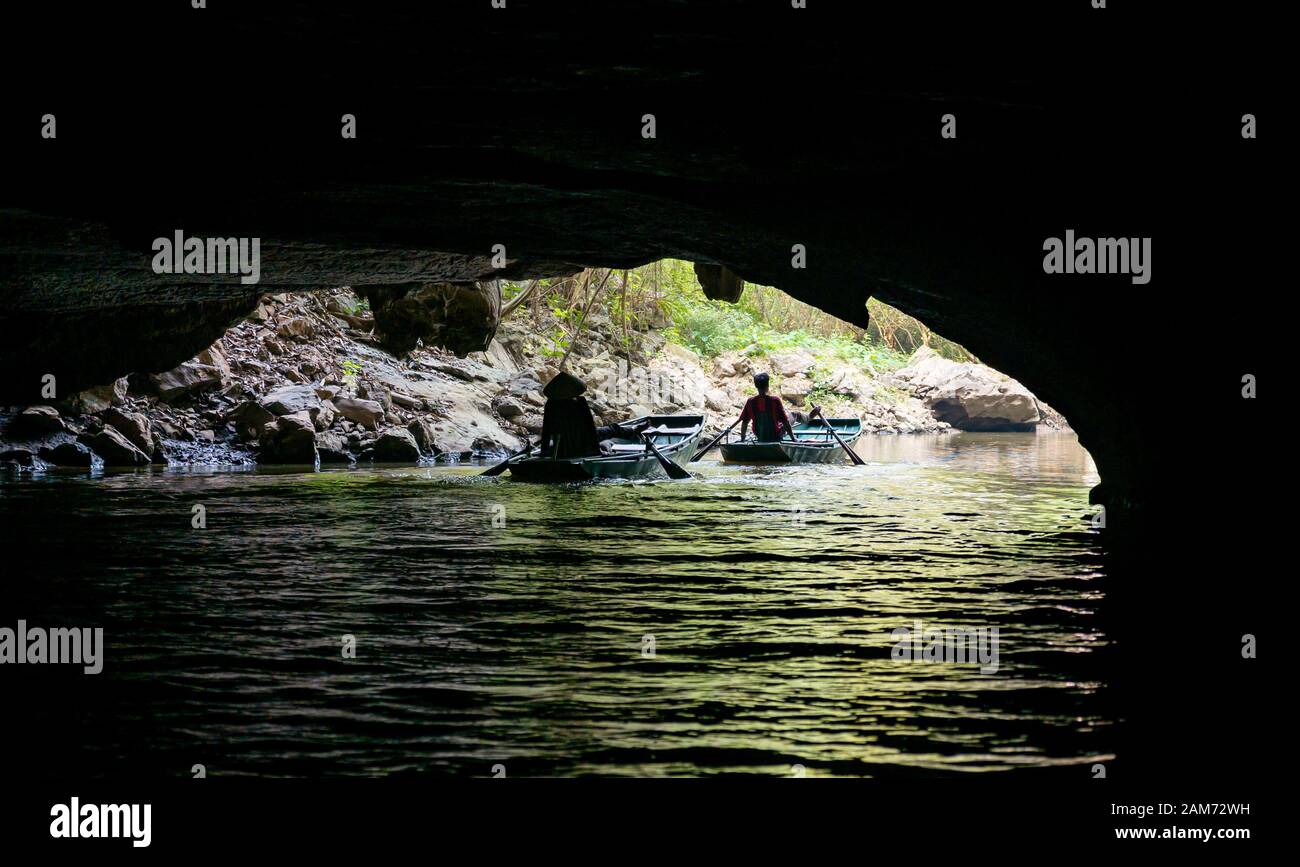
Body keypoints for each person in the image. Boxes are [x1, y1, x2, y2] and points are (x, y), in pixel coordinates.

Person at [539, 370, 648, 459]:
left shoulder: (551, 404)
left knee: (607, 431)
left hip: (562, 448)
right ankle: (633, 430)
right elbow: (589, 429)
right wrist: (597, 451)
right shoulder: (579, 402)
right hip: (583, 444)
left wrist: (544, 452)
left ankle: (633, 430)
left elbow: (546, 431)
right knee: (612, 429)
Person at [739, 372, 798, 442]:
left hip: (759, 435)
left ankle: (808, 417)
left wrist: (742, 439)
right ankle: (808, 417)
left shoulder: (750, 401)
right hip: (776, 435)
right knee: (794, 415)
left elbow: (745, 422)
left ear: (756, 386)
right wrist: (793, 439)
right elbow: (785, 422)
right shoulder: (775, 400)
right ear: (767, 386)